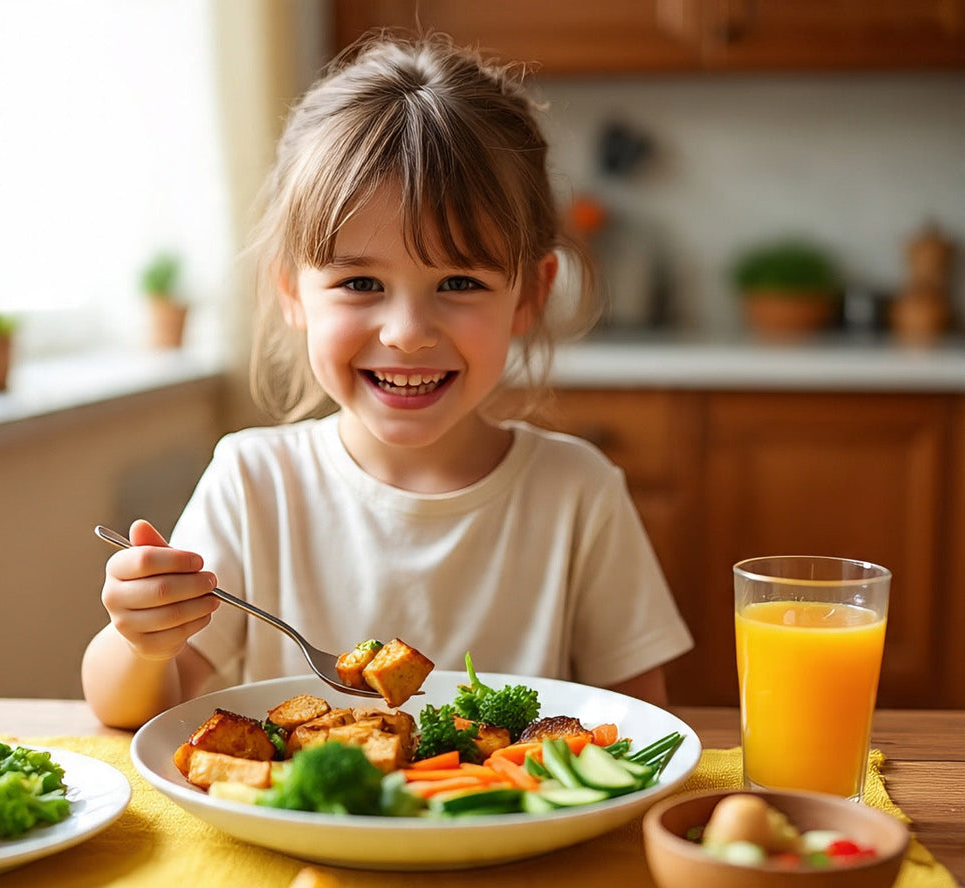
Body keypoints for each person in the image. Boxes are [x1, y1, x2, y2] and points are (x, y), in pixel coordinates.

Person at [82, 32, 692, 731]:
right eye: (360, 282)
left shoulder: (578, 493)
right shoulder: (253, 482)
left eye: (459, 282)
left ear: (529, 295)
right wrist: (141, 640)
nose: (406, 331)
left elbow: (645, 731)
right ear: (292, 291)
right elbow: (131, 708)